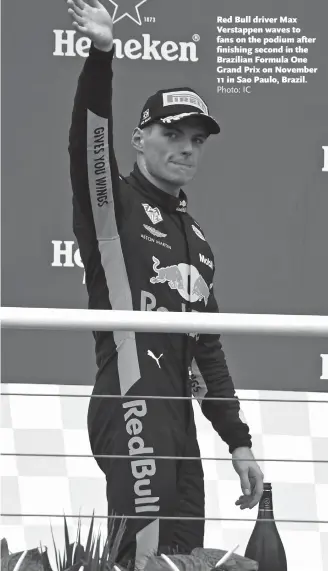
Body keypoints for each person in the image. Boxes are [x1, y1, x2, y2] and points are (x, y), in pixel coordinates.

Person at [67, 0, 264, 566]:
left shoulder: (196, 240)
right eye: (172, 132)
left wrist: (239, 441)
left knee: (180, 560)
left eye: (197, 139)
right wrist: (102, 56)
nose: (185, 146)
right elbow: (87, 147)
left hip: (179, 421)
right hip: (131, 404)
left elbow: (207, 350)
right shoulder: (115, 207)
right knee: (143, 560)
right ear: (138, 138)